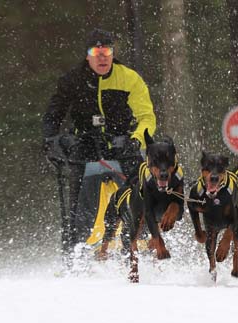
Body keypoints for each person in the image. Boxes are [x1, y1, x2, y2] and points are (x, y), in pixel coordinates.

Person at [42, 28, 156, 264]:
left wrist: (136, 140)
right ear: (87, 56)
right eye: (97, 52)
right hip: (86, 148)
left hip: (124, 147)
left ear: (113, 54)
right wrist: (52, 141)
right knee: (81, 204)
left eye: (107, 52)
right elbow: (53, 115)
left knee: (138, 195)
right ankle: (76, 254)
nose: (102, 57)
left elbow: (147, 116)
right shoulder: (71, 81)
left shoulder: (129, 78)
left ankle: (141, 247)